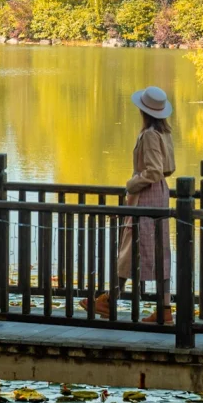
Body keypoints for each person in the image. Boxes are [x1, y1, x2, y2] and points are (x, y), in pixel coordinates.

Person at [88, 85, 175, 322]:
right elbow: (168, 168)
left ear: (143, 111)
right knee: (156, 251)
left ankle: (110, 300)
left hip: (146, 196)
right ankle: (163, 308)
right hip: (159, 194)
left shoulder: (149, 135)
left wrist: (131, 184)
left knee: (132, 246)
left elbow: (154, 171)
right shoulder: (164, 133)